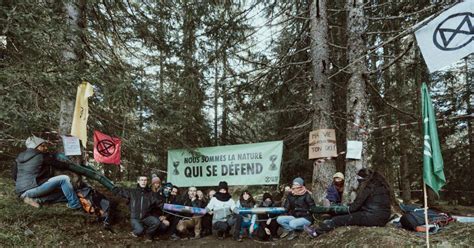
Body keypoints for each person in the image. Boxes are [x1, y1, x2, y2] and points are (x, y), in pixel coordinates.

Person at [310, 168, 392, 236]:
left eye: (358, 179)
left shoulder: (367, 188)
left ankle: (315, 232)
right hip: (384, 218)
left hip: (371, 218)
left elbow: (354, 208)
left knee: (337, 220)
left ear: (362, 179)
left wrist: (338, 209)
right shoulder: (382, 186)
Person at [13, 136, 81, 209]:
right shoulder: (41, 156)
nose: (45, 148)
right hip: (32, 189)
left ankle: (35, 199)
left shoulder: (19, 158)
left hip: (21, 192)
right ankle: (75, 205)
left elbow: (14, 176)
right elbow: (60, 165)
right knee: (64, 179)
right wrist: (74, 167)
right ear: (36, 147)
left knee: (62, 193)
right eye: (43, 146)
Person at [113, 176, 161, 241]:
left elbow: (159, 203)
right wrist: (114, 188)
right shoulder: (132, 191)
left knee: (156, 222)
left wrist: (170, 207)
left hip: (146, 217)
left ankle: (148, 235)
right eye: (142, 180)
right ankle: (135, 232)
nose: (143, 182)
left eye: (145, 180)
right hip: (135, 217)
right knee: (139, 230)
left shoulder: (150, 193)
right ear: (138, 181)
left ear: (147, 182)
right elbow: (121, 191)